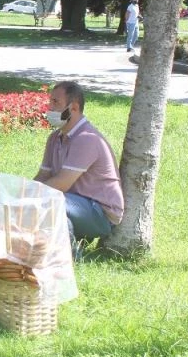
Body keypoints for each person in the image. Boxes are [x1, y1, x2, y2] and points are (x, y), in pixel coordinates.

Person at [33, 81, 124, 259]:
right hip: (77, 203)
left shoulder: (86, 139)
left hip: (101, 212)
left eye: (56, 103)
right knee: (41, 200)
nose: (49, 108)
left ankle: (71, 255)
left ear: (73, 108)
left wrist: (30, 199)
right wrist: (22, 194)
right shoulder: (54, 138)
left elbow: (61, 184)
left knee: (48, 201)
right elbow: (43, 175)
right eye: (50, 102)